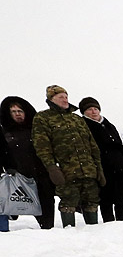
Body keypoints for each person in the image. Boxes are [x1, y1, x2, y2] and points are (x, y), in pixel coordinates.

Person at [32, 85, 104, 227]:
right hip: (65, 171)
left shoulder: (77, 119)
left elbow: (92, 145)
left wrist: (98, 168)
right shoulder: (42, 118)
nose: (65, 100)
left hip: (88, 170)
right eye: (60, 97)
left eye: (66, 97)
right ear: (51, 99)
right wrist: (52, 168)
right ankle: (69, 237)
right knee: (68, 201)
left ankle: (95, 234)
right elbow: (42, 146)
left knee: (92, 201)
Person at [78, 97, 123, 222]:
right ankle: (108, 222)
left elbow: (118, 142)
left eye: (96, 108)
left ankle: (122, 221)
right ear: (84, 112)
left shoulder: (108, 124)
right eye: (90, 109)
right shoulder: (83, 125)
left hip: (119, 165)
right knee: (106, 197)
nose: (94, 112)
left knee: (121, 197)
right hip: (101, 165)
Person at [1, 96, 56, 229]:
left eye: (20, 111)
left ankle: (49, 232)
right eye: (13, 112)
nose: (17, 114)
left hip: (41, 176)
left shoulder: (37, 130)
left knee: (46, 207)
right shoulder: (4, 132)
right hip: (17, 177)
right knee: (10, 206)